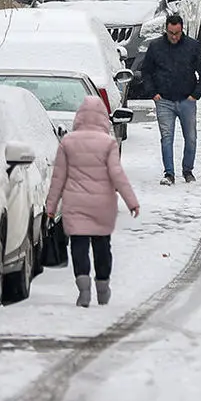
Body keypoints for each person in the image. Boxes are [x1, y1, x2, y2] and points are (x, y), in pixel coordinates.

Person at [45, 96, 140, 307]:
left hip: (75, 204)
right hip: (102, 205)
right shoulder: (108, 144)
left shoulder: (67, 142)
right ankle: (103, 286)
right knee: (102, 246)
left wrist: (51, 207)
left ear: (79, 117)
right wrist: (131, 201)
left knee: (79, 245)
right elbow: (118, 175)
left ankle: (84, 289)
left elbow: (58, 178)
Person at [139, 13, 201, 185]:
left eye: (177, 33)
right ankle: (169, 173)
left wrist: (195, 95)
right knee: (167, 137)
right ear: (166, 30)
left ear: (182, 30)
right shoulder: (156, 47)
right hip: (164, 100)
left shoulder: (193, 47)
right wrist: (153, 93)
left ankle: (188, 170)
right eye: (171, 33)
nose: (173, 36)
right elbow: (146, 71)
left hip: (187, 99)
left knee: (191, 138)